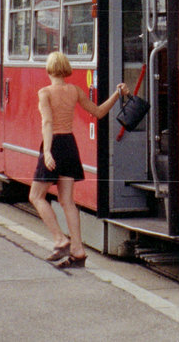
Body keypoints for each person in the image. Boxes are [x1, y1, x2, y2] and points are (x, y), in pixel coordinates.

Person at [29, 51, 126, 269]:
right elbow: (99, 112)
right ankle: (78, 250)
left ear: (48, 69)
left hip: (53, 143)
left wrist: (47, 152)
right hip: (70, 145)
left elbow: (47, 123)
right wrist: (116, 95)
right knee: (67, 201)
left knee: (36, 196)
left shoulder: (44, 93)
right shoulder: (74, 91)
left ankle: (60, 239)